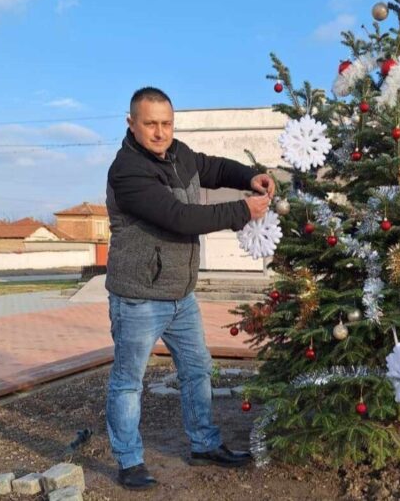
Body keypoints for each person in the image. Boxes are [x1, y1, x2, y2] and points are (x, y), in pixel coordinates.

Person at [104, 87, 273, 490]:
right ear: (131, 124)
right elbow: (178, 217)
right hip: (139, 297)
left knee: (198, 370)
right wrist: (241, 211)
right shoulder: (127, 170)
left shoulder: (180, 154)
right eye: (150, 124)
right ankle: (129, 461)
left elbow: (211, 168)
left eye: (166, 123)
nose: (160, 132)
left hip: (181, 295)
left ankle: (203, 444)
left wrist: (249, 176)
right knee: (128, 380)